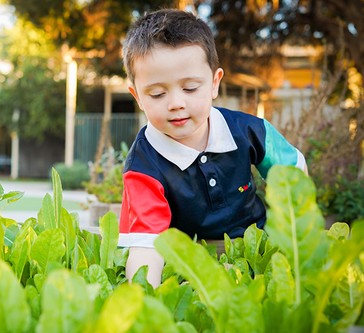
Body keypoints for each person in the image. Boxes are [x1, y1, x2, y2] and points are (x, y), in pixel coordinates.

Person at [118, 8, 307, 287]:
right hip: (188, 264)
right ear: (138, 97)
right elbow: (147, 246)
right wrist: (147, 300)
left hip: (255, 252)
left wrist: (288, 236)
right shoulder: (143, 165)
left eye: (191, 88)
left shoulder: (249, 131)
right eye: (157, 94)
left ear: (214, 83)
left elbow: (294, 174)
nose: (176, 103)